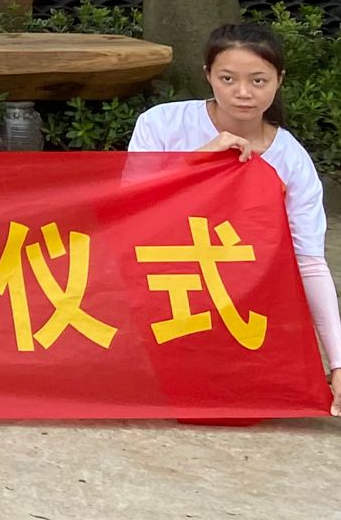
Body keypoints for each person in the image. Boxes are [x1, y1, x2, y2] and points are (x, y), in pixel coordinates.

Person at [129, 22, 341, 415]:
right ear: (208, 75)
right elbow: (132, 210)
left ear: (279, 80)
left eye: (258, 80)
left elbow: (308, 261)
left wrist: (338, 364)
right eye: (228, 78)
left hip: (242, 303)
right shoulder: (162, 124)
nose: (243, 92)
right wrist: (197, 161)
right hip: (161, 286)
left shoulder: (291, 160)